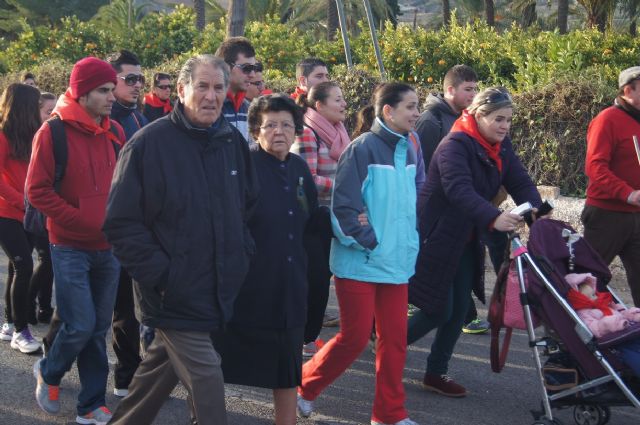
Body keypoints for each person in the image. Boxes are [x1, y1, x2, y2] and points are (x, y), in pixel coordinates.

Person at [103, 54, 259, 425]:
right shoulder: (147, 145)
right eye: (202, 86)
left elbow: (247, 207)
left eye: (218, 87)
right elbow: (121, 224)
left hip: (217, 287)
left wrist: (241, 254)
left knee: (156, 376)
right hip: (171, 293)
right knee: (206, 377)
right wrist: (166, 275)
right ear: (182, 90)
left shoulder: (230, 143)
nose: (211, 96)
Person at [297, 83, 421, 425]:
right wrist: (370, 240)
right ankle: (304, 385)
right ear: (388, 111)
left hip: (396, 263)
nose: (416, 113)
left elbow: (419, 193)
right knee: (353, 339)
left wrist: (408, 240)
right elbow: (343, 208)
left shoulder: (412, 145)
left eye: (417, 106)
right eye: (410, 107)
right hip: (360, 263)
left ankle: (389, 415)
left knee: (395, 342)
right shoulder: (361, 149)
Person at [407, 87, 542, 398]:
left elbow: (518, 179)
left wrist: (535, 207)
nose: (505, 126)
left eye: (508, 120)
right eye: (498, 119)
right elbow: (458, 189)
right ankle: (386, 343)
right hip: (436, 235)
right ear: (478, 116)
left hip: (466, 236)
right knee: (440, 308)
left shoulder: (499, 145)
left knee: (456, 312)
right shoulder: (455, 144)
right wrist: (494, 217)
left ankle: (435, 372)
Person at [28, 56, 125, 425]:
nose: (111, 96)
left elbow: (125, 185)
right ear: (82, 92)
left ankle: (90, 402)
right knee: (81, 324)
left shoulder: (114, 131)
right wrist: (81, 220)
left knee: (98, 328)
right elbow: (36, 191)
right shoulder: (52, 132)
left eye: (111, 89)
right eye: (103, 90)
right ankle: (50, 371)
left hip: (108, 247)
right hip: (68, 246)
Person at [212, 94, 318, 425]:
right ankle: (202, 416)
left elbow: (310, 219)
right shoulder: (245, 166)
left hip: (288, 283)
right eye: (270, 124)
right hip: (248, 284)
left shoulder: (300, 167)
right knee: (216, 362)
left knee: (286, 367)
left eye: (287, 124)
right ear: (256, 130)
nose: (279, 131)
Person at [414, 64, 494, 335]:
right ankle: (383, 332)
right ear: (450, 90)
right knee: (438, 296)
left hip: (463, 214)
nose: (473, 94)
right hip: (438, 214)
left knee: (455, 284)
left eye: (475, 89)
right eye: (468, 89)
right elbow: (422, 167)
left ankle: (465, 317)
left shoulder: (467, 119)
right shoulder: (431, 120)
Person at [292, 81, 349, 358]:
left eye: (342, 99)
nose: (343, 104)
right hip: (310, 219)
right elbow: (305, 180)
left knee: (323, 278)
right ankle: (302, 337)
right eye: (337, 100)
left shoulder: (339, 131)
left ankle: (308, 336)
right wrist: (342, 185)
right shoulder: (306, 132)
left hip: (334, 216)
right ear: (319, 105)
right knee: (312, 280)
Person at [106, 48, 148, 398]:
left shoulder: (138, 115)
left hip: (139, 225)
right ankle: (53, 360)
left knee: (128, 306)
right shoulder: (108, 118)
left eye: (140, 78)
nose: (137, 85)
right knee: (86, 316)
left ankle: (126, 375)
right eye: (130, 78)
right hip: (107, 225)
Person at [582, 66, 640, 308]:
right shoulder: (607, 119)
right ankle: (566, 337)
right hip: (606, 216)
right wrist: (628, 194)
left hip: (636, 215)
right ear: (628, 90)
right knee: (587, 280)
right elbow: (595, 167)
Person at [0, 83, 43, 354]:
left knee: (18, 268)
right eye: (36, 104)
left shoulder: (34, 134)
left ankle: (7, 322)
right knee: (24, 265)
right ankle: (19, 330)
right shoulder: (3, 135)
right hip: (6, 213)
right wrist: (22, 201)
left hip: (28, 212)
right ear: (24, 106)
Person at [566, 273, 640, 378]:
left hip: (627, 332)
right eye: (591, 296)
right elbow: (594, 328)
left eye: (594, 293)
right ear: (579, 298)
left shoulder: (604, 303)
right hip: (615, 342)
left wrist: (631, 315)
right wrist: (610, 323)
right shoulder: (584, 313)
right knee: (631, 354)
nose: (596, 297)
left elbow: (620, 314)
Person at [215, 36, 258, 143]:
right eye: (247, 68)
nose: (253, 75)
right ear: (226, 67)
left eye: (254, 68)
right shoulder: (211, 106)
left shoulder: (248, 108)